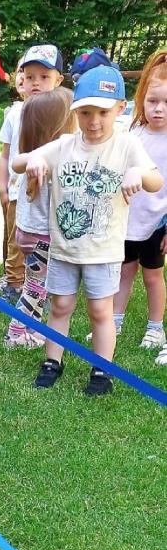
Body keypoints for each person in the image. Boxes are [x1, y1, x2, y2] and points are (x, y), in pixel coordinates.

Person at [14, 65, 162, 395]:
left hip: (104, 250)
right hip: (64, 248)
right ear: (75, 112)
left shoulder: (126, 146)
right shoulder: (65, 145)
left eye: (102, 113)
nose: (93, 122)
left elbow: (156, 180)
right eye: (85, 113)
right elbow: (18, 162)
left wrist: (138, 174)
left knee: (100, 310)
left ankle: (102, 369)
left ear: (120, 110)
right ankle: (53, 361)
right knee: (60, 306)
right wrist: (33, 161)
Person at [3, 88, 75, 348]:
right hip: (41, 238)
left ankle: (29, 330)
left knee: (34, 285)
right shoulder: (46, 162)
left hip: (29, 234)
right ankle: (17, 333)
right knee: (36, 288)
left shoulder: (36, 158)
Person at [0, 45, 65, 303]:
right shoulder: (15, 113)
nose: (36, 83)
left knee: (47, 238)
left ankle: (43, 284)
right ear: (21, 79)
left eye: (44, 77)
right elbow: (5, 154)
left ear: (58, 80)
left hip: (51, 191)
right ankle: (14, 282)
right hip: (18, 188)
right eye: (30, 76)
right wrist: (2, 184)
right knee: (17, 237)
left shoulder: (62, 113)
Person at [110, 49, 167, 358]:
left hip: (157, 222)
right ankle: (114, 322)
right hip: (127, 219)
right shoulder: (133, 132)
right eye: (152, 101)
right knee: (124, 272)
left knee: (153, 276)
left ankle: (155, 327)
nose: (158, 109)